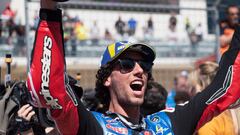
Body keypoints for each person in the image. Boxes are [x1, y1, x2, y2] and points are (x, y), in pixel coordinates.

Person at [27, 0, 240, 134]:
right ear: (106, 78)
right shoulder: (93, 126)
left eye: (145, 65)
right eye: (127, 64)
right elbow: (50, 91)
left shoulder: (168, 123)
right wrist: (49, 8)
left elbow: (225, 89)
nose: (140, 70)